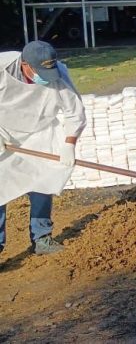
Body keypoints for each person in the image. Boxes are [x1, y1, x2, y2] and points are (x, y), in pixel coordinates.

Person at [0, 41, 86, 256]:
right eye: (40, 72)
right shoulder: (1, 68)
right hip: (3, 131)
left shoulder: (57, 74)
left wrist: (69, 144)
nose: (46, 77)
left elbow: (74, 112)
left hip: (39, 132)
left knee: (44, 180)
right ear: (25, 65)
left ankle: (41, 238)